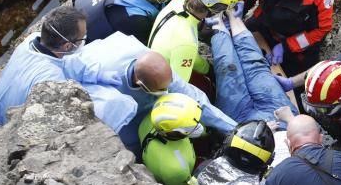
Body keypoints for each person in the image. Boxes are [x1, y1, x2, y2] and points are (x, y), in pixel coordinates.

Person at [59, 32, 238, 157]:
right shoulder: (109, 93)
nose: (166, 93)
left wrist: (235, 129)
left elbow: (196, 99)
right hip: (113, 111)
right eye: (161, 90)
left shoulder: (146, 60)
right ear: (140, 84)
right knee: (130, 145)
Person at [0, 6, 137, 130]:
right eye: (82, 38)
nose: (83, 41)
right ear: (67, 45)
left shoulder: (30, 41)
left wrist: (95, 74)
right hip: (12, 125)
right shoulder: (51, 81)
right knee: (114, 104)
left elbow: (65, 63)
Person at [148, 0, 241, 83]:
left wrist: (206, 68)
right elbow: (178, 88)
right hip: (161, 80)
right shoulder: (187, 42)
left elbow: (187, 53)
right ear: (215, 9)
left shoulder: (178, 1)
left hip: (158, 59)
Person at [207, 11, 298, 123]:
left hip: (241, 124)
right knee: (255, 64)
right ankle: (229, 12)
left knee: (228, 70)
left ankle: (216, 19)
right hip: (279, 114)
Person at [138, 92, 206, 185]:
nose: (198, 127)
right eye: (190, 127)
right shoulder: (176, 169)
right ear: (175, 133)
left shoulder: (150, 119)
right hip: (177, 179)